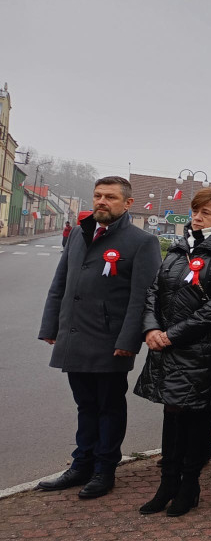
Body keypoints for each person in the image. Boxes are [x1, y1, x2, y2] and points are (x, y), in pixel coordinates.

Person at [38, 177, 162, 499]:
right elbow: (60, 284)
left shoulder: (141, 242)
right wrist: (51, 327)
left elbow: (145, 297)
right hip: (75, 336)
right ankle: (81, 465)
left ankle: (104, 469)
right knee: (85, 405)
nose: (102, 201)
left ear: (127, 204)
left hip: (111, 341)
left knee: (108, 406)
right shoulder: (80, 234)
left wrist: (127, 340)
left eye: (110, 196)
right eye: (98, 195)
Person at [133, 188, 211, 516]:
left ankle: (189, 484)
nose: (197, 217)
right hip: (167, 344)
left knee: (196, 415)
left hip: (201, 348)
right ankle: (168, 483)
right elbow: (155, 288)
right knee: (172, 414)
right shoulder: (182, 245)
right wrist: (152, 328)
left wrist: (173, 335)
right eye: (196, 211)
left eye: (205, 213)